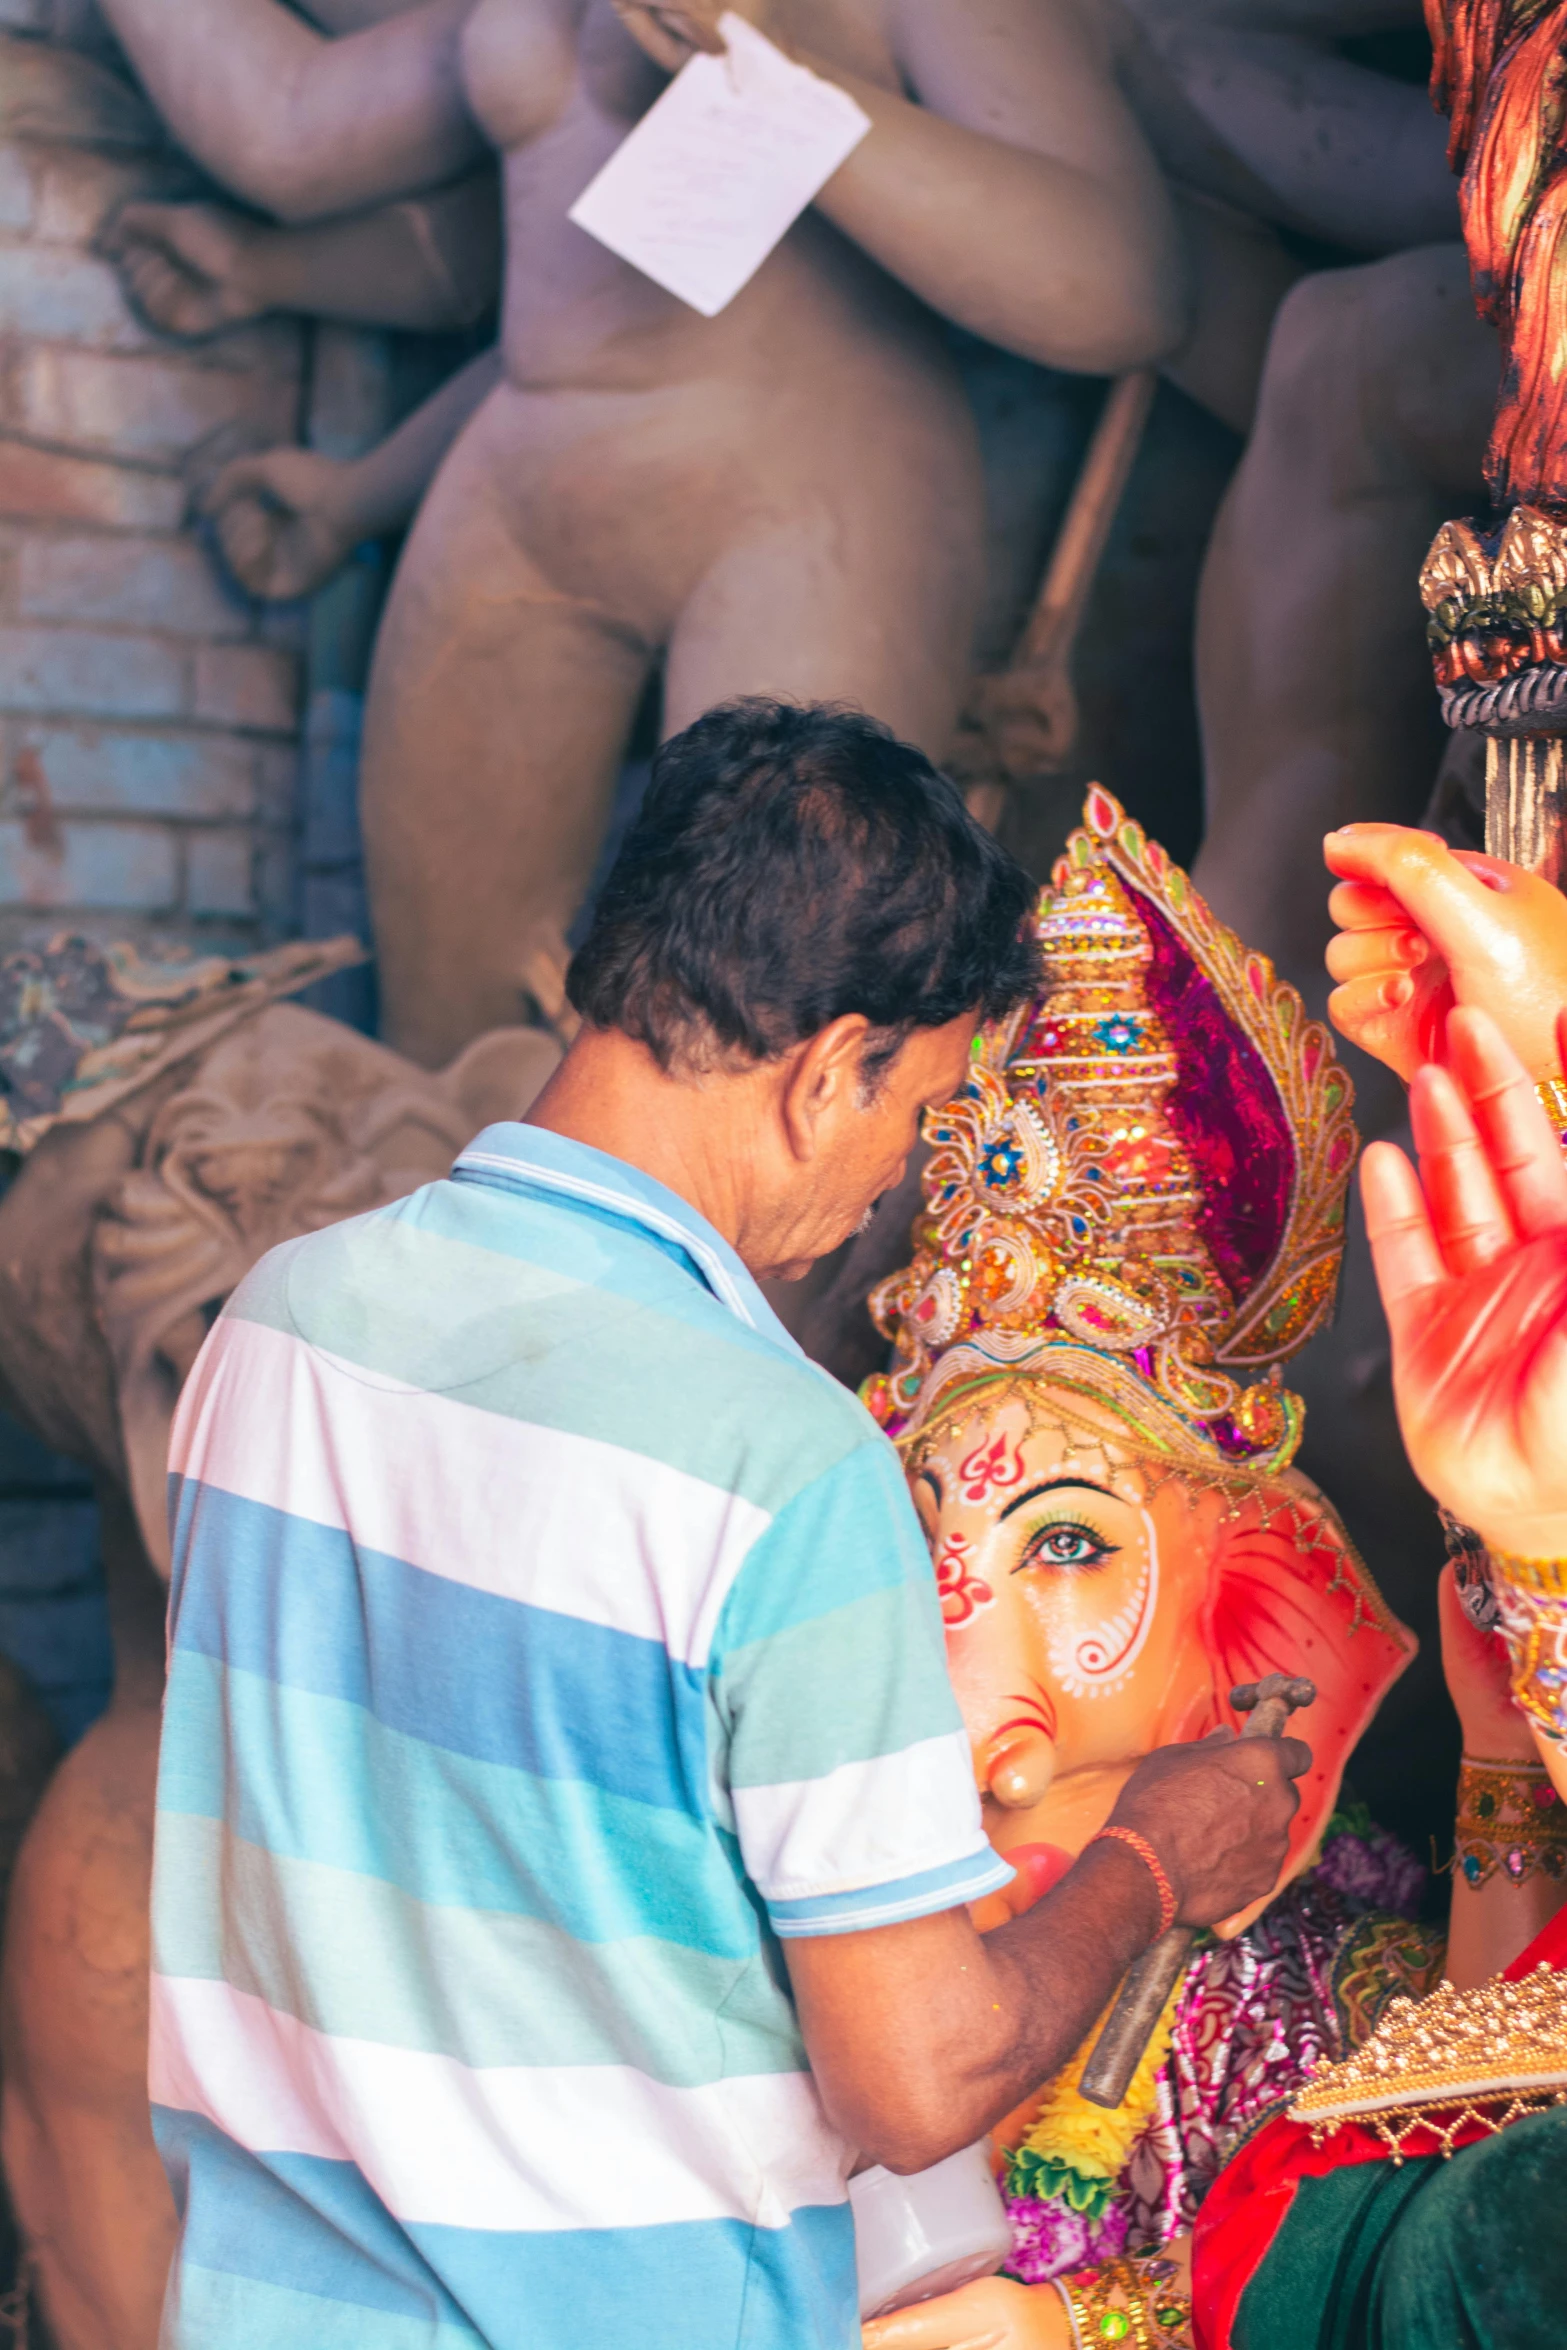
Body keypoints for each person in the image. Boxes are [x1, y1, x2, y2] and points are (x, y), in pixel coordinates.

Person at [148, 702, 1305, 2350]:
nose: (893, 1181)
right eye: (918, 1116)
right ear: (833, 1065)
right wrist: (1148, 1861)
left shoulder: (275, 1325)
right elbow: (916, 2079)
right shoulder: (773, 1459)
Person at [852, 797, 1567, 2349]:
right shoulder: (817, 1924)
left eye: (1064, 1541)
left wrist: (1079, 2330)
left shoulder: (1318, 2010)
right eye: (918, 1538)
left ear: (1261, 1596)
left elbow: (1428, 2261)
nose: (954, 1616)